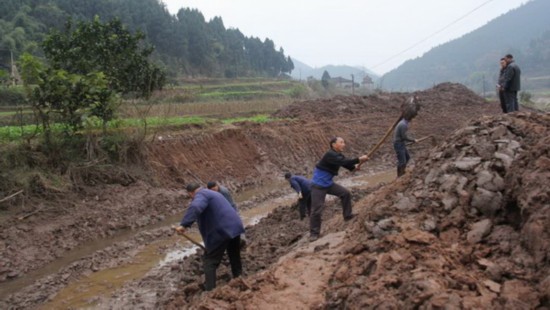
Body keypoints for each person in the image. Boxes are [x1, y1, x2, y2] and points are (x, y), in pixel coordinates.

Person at [174, 183, 244, 291]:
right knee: (234, 254)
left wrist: (184, 224)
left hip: (223, 230)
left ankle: (211, 291)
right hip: (234, 226)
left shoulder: (201, 195)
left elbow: (196, 206)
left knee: (209, 261)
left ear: (190, 193)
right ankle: (239, 278)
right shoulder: (213, 193)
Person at [309, 137, 369, 242]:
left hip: (328, 184)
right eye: (341, 142)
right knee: (316, 210)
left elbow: (347, 165)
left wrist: (355, 166)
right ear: (333, 144)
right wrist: (359, 159)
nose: (343, 144)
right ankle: (314, 234)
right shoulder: (330, 155)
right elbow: (345, 161)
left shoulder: (338, 156)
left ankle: (347, 215)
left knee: (345, 193)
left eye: (344, 142)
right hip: (318, 186)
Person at [207, 181, 247, 247]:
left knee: (236, 223)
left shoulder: (223, 191)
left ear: (217, 186)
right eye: (211, 190)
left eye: (214, 189)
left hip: (231, 208)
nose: (213, 191)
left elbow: (229, 203)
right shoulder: (211, 192)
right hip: (222, 209)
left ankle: (242, 239)